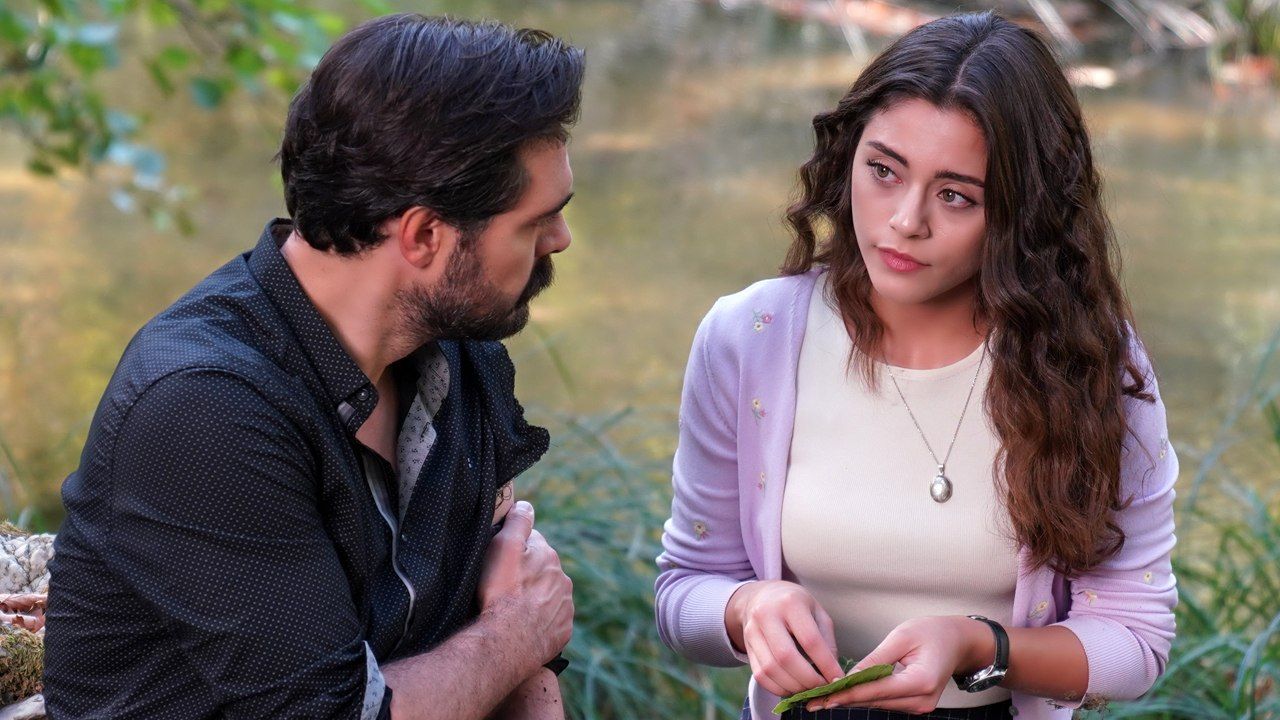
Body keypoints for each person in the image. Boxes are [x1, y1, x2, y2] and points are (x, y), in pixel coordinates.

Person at [44, 14, 582, 720]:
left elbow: (514, 652)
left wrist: (519, 644)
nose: (560, 239)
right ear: (425, 235)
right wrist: (518, 633)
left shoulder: (457, 354)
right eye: (537, 220)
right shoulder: (206, 408)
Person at [655, 12, 1177, 720]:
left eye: (955, 195)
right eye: (883, 170)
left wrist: (978, 645)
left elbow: (1136, 640)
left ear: (1024, 215)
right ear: (848, 159)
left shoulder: (1093, 363)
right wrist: (747, 607)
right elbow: (684, 592)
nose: (905, 220)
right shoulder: (749, 338)